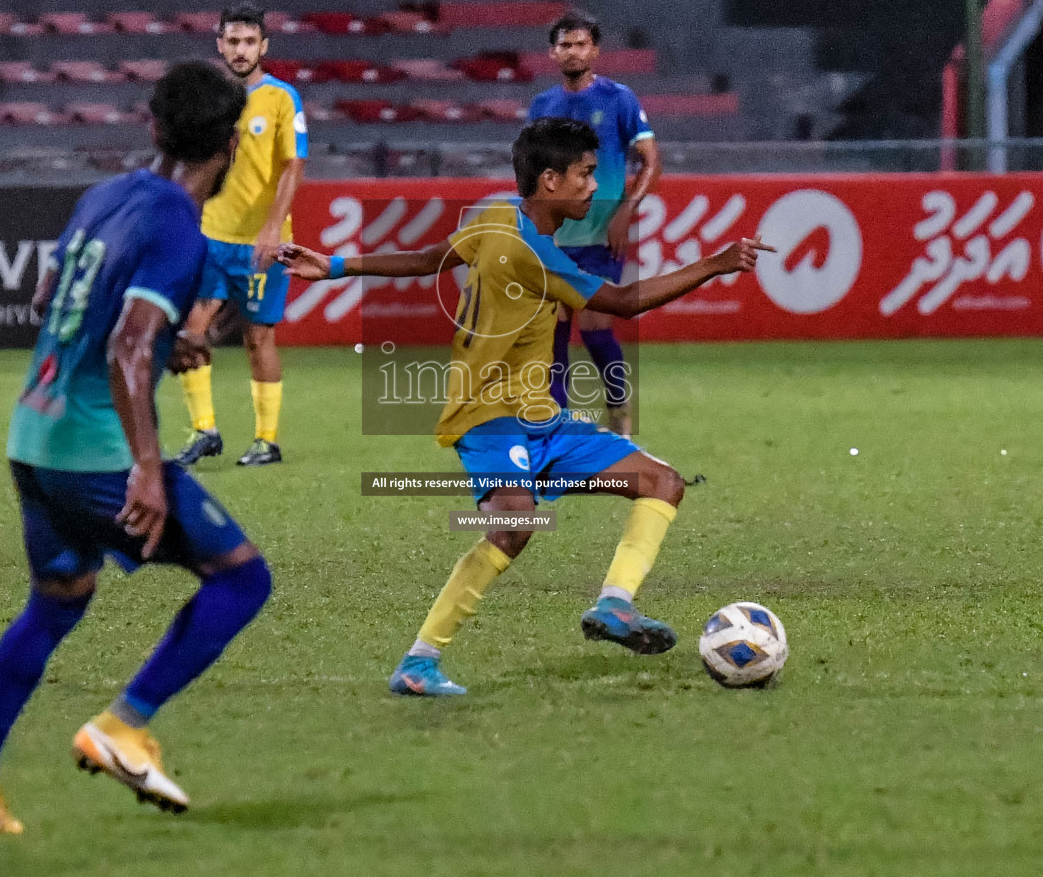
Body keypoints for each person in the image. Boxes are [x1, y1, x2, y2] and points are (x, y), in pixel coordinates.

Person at [278, 118, 771, 696]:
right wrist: (713, 264)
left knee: (662, 483)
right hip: (487, 416)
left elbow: (432, 258)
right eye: (586, 175)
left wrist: (336, 266)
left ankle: (614, 606)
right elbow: (620, 301)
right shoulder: (535, 255)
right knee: (515, 523)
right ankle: (419, 661)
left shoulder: (492, 215)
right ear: (549, 180)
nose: (594, 187)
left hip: (544, 419)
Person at [0, 62, 273, 834]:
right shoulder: (178, 226)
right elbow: (127, 344)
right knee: (240, 581)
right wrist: (149, 468)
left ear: (152, 127)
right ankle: (124, 724)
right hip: (97, 451)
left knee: (59, 601)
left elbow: (49, 298)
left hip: (33, 433)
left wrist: (167, 349)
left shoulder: (105, 196)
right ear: (228, 146)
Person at [174, 2, 308, 468]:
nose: (240, 50)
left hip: (260, 242)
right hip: (211, 236)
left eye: (249, 41)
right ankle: (204, 429)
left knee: (258, 338)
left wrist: (273, 228)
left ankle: (266, 440)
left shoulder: (281, 98)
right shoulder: (208, 101)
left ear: (263, 47)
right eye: (232, 41)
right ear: (220, 45)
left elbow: (294, 165)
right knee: (192, 329)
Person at [528, 10, 661, 435]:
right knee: (555, 332)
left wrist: (626, 210)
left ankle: (619, 414)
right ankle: (558, 427)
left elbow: (651, 160)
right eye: (565, 45)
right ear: (553, 52)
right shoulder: (543, 105)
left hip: (602, 233)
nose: (573, 51)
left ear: (595, 51)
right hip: (555, 235)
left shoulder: (619, 98)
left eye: (581, 44)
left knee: (596, 326)